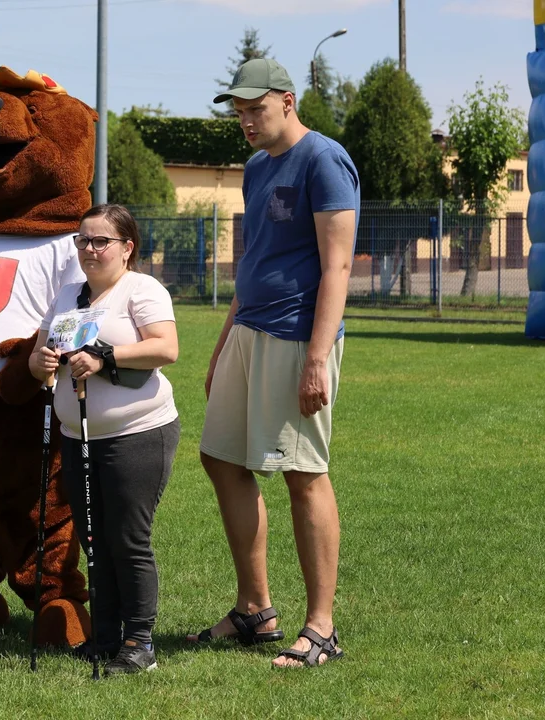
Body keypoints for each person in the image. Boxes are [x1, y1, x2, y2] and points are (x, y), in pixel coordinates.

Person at [188, 58, 360, 668]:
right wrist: (221, 345)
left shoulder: (325, 159)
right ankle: (255, 609)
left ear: (287, 101)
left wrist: (319, 355)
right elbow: (255, 258)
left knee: (302, 471)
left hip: (296, 336)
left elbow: (337, 265)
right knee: (220, 456)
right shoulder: (256, 167)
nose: (245, 121)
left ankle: (322, 629)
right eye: (237, 111)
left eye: (254, 109)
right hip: (249, 330)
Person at [29, 203, 180, 676]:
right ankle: (107, 636)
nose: (89, 250)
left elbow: (165, 348)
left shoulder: (141, 289)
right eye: (82, 240)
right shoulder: (68, 296)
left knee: (128, 540)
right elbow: (36, 356)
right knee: (95, 540)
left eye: (100, 241)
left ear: (127, 247)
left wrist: (104, 357)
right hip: (77, 436)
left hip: (137, 434)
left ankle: (140, 644)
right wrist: (44, 364)